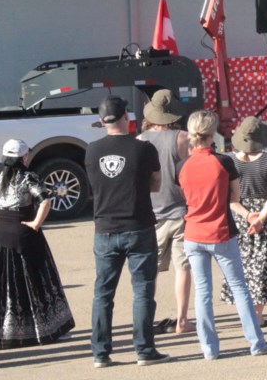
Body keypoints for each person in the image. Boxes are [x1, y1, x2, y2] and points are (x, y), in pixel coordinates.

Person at [179, 110, 267, 359]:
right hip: (220, 231)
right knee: (239, 288)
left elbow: (187, 196)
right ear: (212, 133)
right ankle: (256, 342)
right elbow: (235, 197)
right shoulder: (223, 162)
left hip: (193, 233)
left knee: (203, 293)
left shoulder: (183, 165)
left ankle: (209, 348)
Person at [84, 96, 169, 368]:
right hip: (138, 225)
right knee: (143, 291)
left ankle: (100, 353)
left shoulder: (91, 150)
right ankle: (144, 350)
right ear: (127, 118)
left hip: (105, 228)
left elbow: (95, 185)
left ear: (101, 121)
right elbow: (156, 184)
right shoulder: (143, 149)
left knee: (102, 293)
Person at [0, 139, 75, 348]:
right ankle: (47, 330)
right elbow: (45, 200)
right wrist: (36, 223)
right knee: (37, 282)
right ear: (24, 157)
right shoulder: (29, 178)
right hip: (23, 235)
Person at [219, 116, 267, 326]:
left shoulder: (229, 160)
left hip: (239, 216)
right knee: (264, 264)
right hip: (266, 215)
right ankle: (257, 314)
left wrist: (247, 215)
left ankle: (246, 311)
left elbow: (230, 198)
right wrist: (261, 217)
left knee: (241, 264)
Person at [136, 89, 193, 335]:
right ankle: (182, 320)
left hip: (151, 213)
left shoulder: (139, 140)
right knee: (183, 267)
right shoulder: (183, 138)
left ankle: (147, 318)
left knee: (152, 271)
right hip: (180, 209)